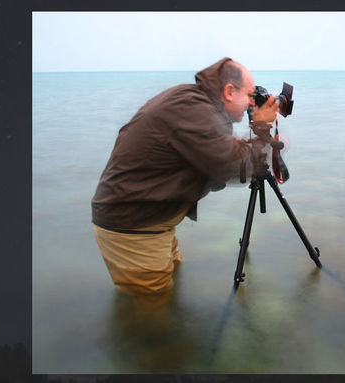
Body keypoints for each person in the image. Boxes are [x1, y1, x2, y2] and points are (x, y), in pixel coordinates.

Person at [91, 57, 279, 295]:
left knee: (170, 288)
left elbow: (214, 155)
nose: (253, 103)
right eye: (250, 95)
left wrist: (248, 144)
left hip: (151, 221)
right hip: (134, 228)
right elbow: (231, 167)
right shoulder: (195, 111)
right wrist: (262, 131)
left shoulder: (196, 105)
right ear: (229, 91)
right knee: (153, 309)